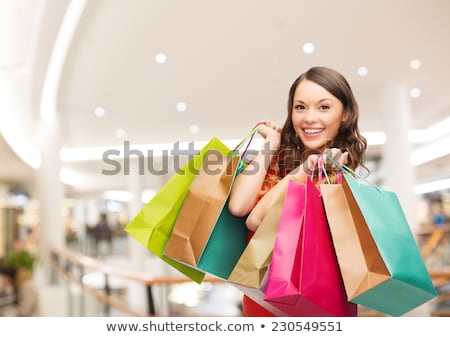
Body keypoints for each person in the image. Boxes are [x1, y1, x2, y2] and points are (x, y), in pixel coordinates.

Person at [228, 66, 368, 316]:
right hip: (265, 298)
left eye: (324, 107)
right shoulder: (281, 159)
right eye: (300, 107)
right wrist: (272, 145)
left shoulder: (341, 179)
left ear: (345, 114)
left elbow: (258, 219)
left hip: (314, 301)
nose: (309, 118)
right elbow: (239, 207)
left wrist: (310, 168)